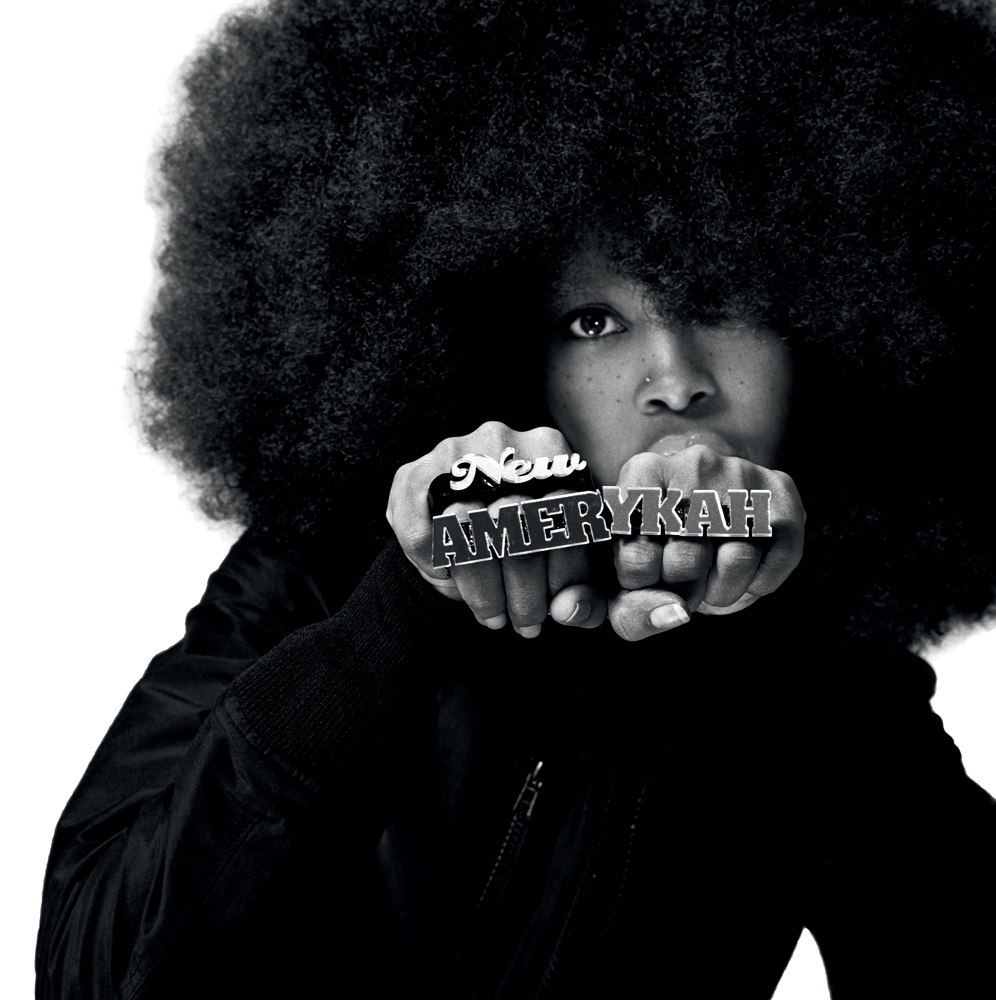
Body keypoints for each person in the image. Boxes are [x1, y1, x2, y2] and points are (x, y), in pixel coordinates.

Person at [35, 0, 996, 996]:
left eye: (723, 300)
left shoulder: (836, 678)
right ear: (501, 346)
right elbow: (93, 974)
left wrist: (781, 647)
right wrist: (402, 617)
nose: (675, 380)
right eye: (594, 321)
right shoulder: (317, 584)